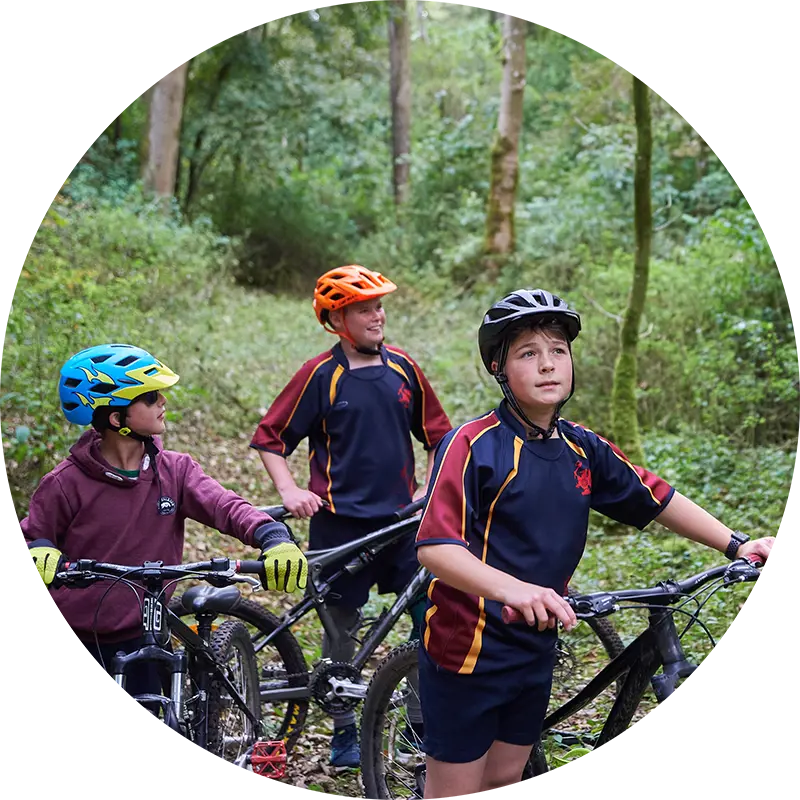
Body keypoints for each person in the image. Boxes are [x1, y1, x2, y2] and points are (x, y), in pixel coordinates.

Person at [414, 289, 776, 800]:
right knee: (457, 790)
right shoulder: (473, 444)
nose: (547, 365)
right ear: (499, 366)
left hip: (536, 642)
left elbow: (655, 496)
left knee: (503, 779)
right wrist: (517, 591)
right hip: (469, 647)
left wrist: (735, 544)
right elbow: (435, 546)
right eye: (527, 353)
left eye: (558, 350)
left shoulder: (581, 447)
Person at [20, 343, 308, 791]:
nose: (163, 403)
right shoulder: (64, 484)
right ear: (116, 417)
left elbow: (228, 507)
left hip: (143, 629)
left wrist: (274, 537)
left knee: (147, 747)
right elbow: (33, 536)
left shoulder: (174, 471)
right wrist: (38, 552)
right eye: (151, 397)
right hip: (73, 636)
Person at [251, 264, 452, 768]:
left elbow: (440, 434)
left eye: (380, 306)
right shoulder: (321, 375)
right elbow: (271, 437)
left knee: (431, 616)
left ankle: (417, 726)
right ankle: (344, 730)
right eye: (365, 309)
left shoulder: (404, 368)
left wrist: (430, 486)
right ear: (337, 320)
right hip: (340, 525)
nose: (378, 316)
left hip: (405, 525)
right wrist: (290, 488)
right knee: (341, 629)